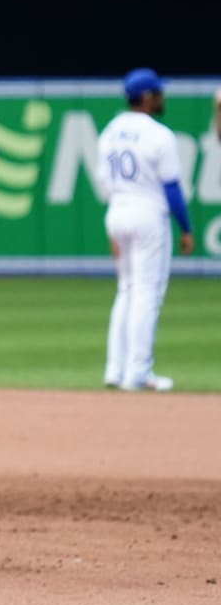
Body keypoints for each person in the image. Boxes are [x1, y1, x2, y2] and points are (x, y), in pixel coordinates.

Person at [95, 68, 193, 392]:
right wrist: (186, 229)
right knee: (146, 294)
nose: (162, 97)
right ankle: (138, 372)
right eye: (158, 92)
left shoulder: (109, 131)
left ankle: (115, 369)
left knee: (126, 289)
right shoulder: (158, 134)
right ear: (148, 97)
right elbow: (172, 188)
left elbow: (104, 186)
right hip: (148, 213)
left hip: (117, 211)